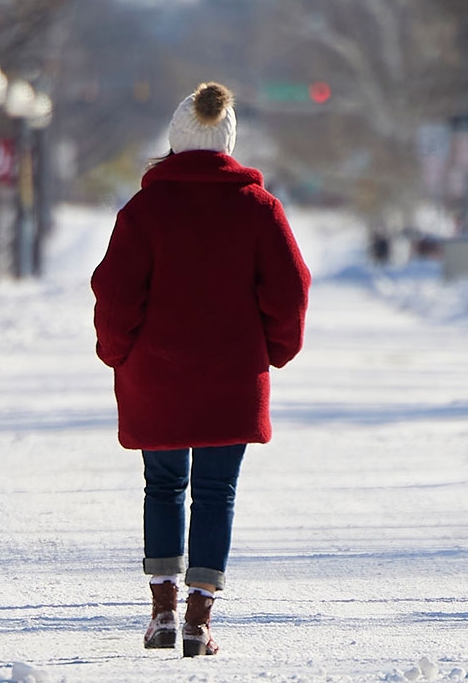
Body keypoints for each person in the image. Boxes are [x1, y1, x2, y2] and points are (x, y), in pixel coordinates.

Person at [91, 82, 311, 658]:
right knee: (217, 492)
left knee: (162, 486)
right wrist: (277, 348)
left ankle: (161, 612)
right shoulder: (258, 209)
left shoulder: (143, 210)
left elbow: (115, 293)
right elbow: (290, 289)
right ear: (228, 142)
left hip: (156, 376)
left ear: (174, 141)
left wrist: (116, 350)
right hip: (230, 377)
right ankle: (199, 620)